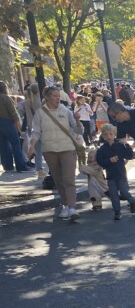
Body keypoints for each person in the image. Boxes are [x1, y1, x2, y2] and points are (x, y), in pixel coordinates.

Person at [28, 86, 83, 221]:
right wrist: (32, 146)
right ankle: (65, 205)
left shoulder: (66, 111)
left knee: (69, 179)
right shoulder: (40, 113)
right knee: (58, 180)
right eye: (54, 96)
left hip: (68, 149)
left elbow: (79, 131)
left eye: (59, 96)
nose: (58, 98)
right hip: (50, 150)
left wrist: (77, 120)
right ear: (47, 97)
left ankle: (72, 208)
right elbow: (36, 131)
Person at [95, 123, 135, 219]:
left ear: (114, 134)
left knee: (124, 191)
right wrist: (109, 160)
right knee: (113, 195)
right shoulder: (102, 149)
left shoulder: (120, 145)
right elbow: (100, 161)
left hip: (121, 173)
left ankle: (132, 201)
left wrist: (126, 144)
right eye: (105, 134)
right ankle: (117, 212)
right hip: (110, 175)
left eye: (110, 134)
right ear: (103, 136)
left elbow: (129, 155)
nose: (108, 136)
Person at [0, 81, 29, 173]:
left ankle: (7, 166)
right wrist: (19, 127)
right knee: (16, 144)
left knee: (3, 145)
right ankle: (20, 166)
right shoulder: (6, 98)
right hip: (7, 122)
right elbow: (13, 113)